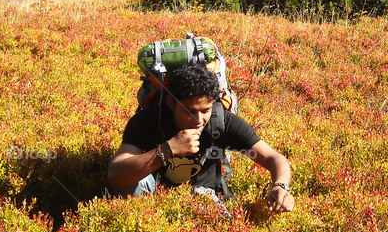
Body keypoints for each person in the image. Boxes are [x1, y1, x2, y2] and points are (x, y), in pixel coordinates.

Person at [106, 64, 295, 213]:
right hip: (152, 191)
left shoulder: (222, 121)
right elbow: (116, 174)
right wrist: (166, 150)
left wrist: (281, 186)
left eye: (205, 110)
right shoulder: (149, 120)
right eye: (190, 111)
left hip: (203, 194)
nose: (199, 120)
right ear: (172, 102)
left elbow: (273, 158)